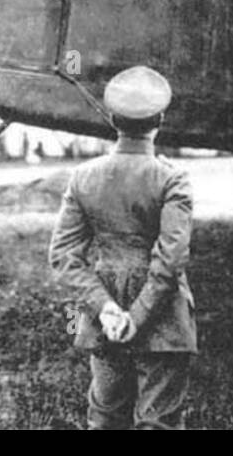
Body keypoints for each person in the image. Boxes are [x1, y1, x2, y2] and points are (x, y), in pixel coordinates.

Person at [49, 66, 196, 430]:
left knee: (106, 419)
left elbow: (64, 257)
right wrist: (139, 315)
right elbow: (171, 258)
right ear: (159, 120)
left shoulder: (83, 177)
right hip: (163, 319)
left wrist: (108, 311)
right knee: (158, 423)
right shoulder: (171, 178)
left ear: (113, 120)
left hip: (104, 320)